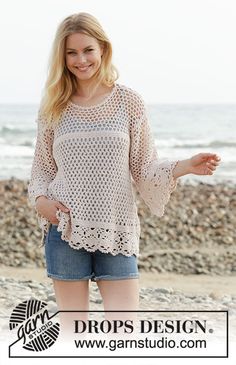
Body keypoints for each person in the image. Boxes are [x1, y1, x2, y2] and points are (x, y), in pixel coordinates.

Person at [27, 12, 221, 340]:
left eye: (87, 50)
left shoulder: (128, 102)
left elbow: (145, 168)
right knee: (74, 338)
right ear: (62, 58)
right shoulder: (54, 108)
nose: (81, 60)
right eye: (71, 53)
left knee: (123, 336)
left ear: (103, 49)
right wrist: (42, 202)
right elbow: (42, 170)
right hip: (65, 229)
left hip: (117, 229)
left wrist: (186, 165)